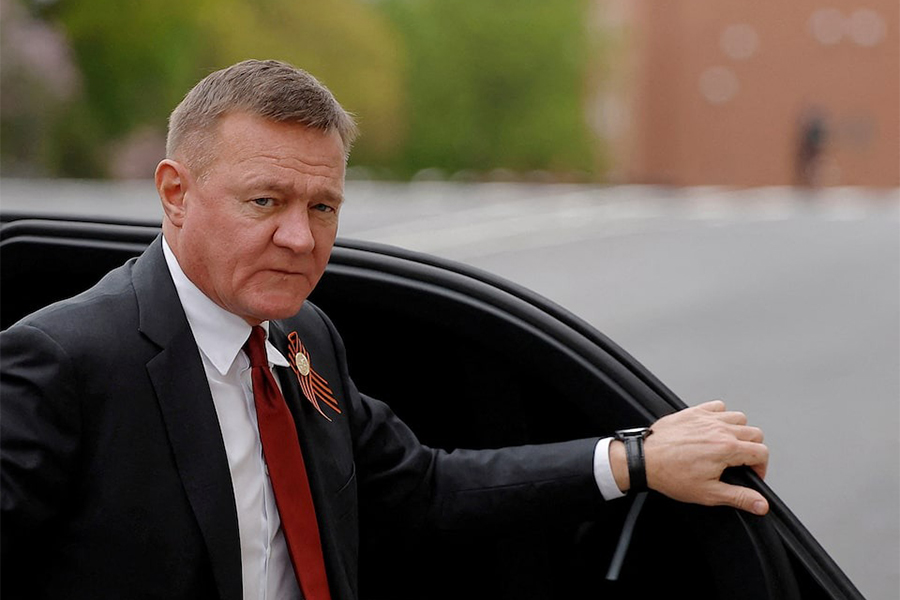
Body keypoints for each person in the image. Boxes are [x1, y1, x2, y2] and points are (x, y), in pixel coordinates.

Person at [0, 59, 769, 600]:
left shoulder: (304, 339)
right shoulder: (67, 362)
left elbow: (422, 489)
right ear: (175, 192)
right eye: (265, 202)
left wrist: (634, 459)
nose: (301, 239)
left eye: (323, 207)